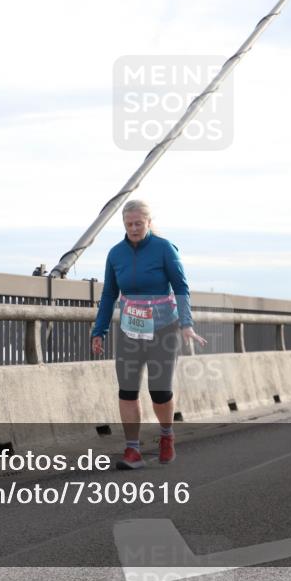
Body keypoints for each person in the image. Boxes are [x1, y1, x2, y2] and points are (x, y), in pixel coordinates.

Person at [91, 200, 207, 470]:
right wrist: (100, 330)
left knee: (160, 391)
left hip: (163, 329)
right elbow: (109, 295)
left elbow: (181, 288)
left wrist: (186, 323)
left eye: (138, 223)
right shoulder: (115, 254)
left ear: (148, 222)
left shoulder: (164, 249)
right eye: (128, 224)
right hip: (130, 330)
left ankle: (167, 435)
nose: (133, 228)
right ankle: (132, 450)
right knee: (127, 391)